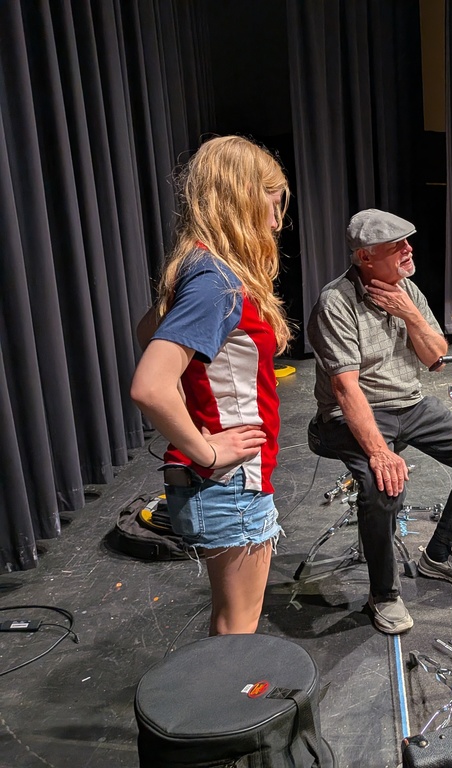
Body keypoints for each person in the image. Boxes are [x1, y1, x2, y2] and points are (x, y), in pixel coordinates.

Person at [307, 209, 452, 635]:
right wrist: (380, 452)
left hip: (410, 405)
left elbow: (435, 357)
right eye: (396, 245)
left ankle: (440, 555)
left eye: (408, 241)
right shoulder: (335, 302)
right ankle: (384, 593)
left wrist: (410, 313)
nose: (408, 249)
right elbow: (345, 389)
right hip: (352, 411)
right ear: (365, 256)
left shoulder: (407, 289)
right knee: (382, 485)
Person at [130, 136, 291, 636]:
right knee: (237, 631)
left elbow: (147, 332)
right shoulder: (217, 282)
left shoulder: (199, 267)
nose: (276, 221)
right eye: (272, 202)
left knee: (229, 623)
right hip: (230, 481)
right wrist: (208, 450)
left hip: (220, 482)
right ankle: (233, 690)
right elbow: (150, 386)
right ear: (243, 198)